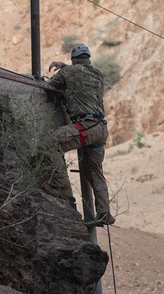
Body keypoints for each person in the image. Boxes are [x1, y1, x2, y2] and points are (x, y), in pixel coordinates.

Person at [43, 44, 114, 226]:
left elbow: (50, 85)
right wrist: (67, 67)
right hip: (100, 129)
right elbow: (80, 73)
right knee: (95, 172)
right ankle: (104, 212)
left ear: (73, 60)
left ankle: (62, 189)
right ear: (89, 59)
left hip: (84, 126)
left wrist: (64, 69)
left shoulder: (69, 72)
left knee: (50, 143)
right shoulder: (98, 74)